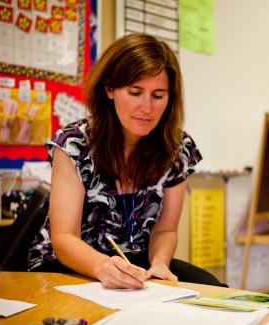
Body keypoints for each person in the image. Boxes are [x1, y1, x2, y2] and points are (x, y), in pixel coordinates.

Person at [27, 33, 224, 288]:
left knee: (212, 288)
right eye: (135, 92)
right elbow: (64, 238)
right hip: (68, 263)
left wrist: (160, 264)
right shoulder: (74, 143)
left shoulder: (178, 148)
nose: (147, 108)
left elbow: (165, 230)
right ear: (110, 89)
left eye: (158, 95)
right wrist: (102, 266)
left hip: (136, 263)